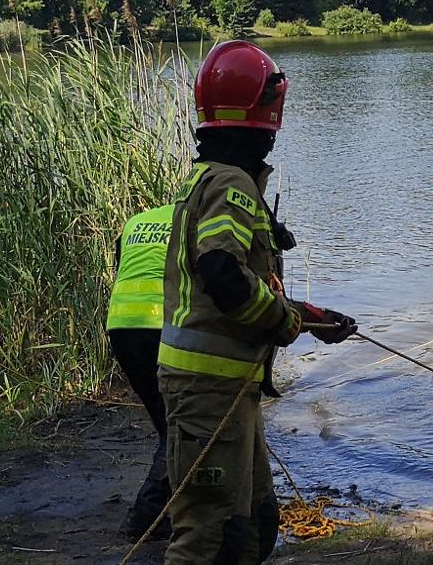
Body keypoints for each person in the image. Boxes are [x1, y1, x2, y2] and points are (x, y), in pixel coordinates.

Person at [159, 40, 358, 564]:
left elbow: (245, 281)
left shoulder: (216, 177)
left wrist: (310, 319)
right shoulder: (231, 183)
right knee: (206, 533)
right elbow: (221, 273)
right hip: (208, 392)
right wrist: (285, 324)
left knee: (253, 523)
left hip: (226, 388)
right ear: (266, 112)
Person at [106, 201, 176, 539]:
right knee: (176, 424)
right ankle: (146, 515)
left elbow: (122, 267)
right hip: (160, 326)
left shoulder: (137, 221)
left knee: (166, 420)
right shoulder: (194, 222)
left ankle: (167, 507)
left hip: (120, 326)